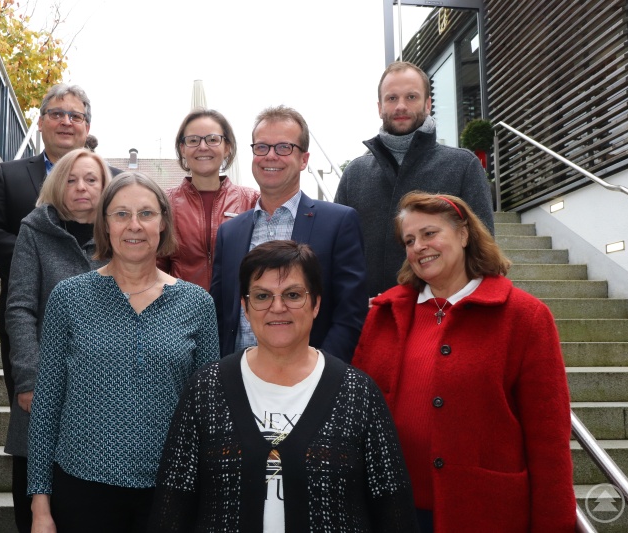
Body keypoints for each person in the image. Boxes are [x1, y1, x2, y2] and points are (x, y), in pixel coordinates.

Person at [151, 241, 418, 532]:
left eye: (292, 295)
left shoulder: (358, 393)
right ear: (245, 306)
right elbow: (173, 505)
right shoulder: (206, 389)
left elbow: (394, 509)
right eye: (262, 296)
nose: (277, 308)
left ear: (316, 304)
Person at [351, 192, 575, 532]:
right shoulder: (383, 314)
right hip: (393, 514)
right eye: (409, 240)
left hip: (484, 514)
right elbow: (357, 419)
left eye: (429, 233)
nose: (418, 247)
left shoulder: (525, 317)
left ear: (464, 234)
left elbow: (549, 443)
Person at [27, 172, 219, 533]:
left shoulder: (198, 304)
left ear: (163, 222)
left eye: (146, 214)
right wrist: (40, 506)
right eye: (121, 214)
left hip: (170, 492)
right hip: (83, 488)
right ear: (105, 224)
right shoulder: (68, 298)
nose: (134, 226)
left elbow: (207, 414)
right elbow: (47, 404)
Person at [0, 83, 121, 408]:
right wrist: (40, 261)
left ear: (87, 127)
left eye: (75, 116)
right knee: (32, 432)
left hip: (103, 325)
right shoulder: (10, 174)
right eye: (56, 114)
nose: (66, 121)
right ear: (40, 123)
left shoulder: (116, 180)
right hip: (29, 324)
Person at [3, 148, 111, 532]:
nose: (81, 187)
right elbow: (19, 308)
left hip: (101, 391)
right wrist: (29, 379)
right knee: (34, 505)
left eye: (91, 179)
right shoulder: (35, 229)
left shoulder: (118, 233)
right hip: (44, 384)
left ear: (105, 187)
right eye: (71, 179)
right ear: (56, 183)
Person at [211, 105, 367, 362]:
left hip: (311, 383)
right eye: (261, 147)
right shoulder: (229, 233)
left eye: (284, 147)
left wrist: (319, 375)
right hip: (240, 380)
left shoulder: (339, 223)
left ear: (304, 159)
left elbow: (350, 313)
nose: (270, 156)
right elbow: (219, 314)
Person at [334, 61, 494, 299]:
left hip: (442, 323)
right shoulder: (354, 174)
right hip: (368, 322)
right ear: (379, 107)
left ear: (428, 104)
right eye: (392, 98)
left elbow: (482, 254)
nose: (401, 106)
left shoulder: (463, 166)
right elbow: (338, 254)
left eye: (411, 97)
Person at [158, 108, 260, 290]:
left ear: (227, 147)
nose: (203, 147)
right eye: (193, 140)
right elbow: (156, 266)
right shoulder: (164, 203)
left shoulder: (251, 200)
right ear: (182, 148)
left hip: (237, 311)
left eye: (212, 139)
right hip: (182, 312)